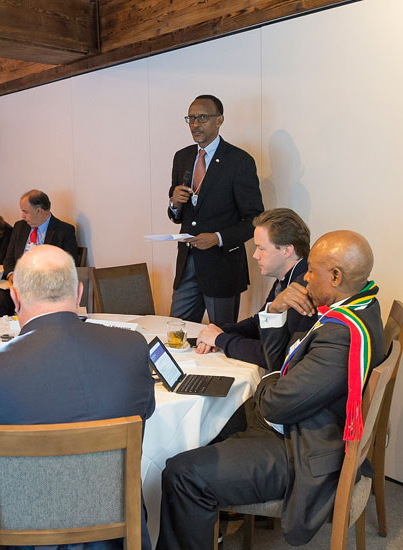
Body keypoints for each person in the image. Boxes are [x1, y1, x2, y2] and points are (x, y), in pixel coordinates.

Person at [0, 245, 157, 550]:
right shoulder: (131, 347)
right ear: (78, 293)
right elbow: (147, 409)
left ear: (14, 297)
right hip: (112, 515)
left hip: (21, 526)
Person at [157, 230, 385, 549]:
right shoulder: (358, 306)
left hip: (302, 445)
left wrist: (268, 379)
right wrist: (276, 311)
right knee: (207, 425)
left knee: (182, 473)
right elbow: (280, 360)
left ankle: (196, 511)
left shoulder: (341, 336)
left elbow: (275, 402)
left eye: (312, 271)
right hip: (300, 423)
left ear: (335, 276)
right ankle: (206, 523)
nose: (304, 277)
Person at [167, 95, 264, 326]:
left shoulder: (239, 161)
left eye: (202, 117)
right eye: (190, 118)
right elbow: (176, 215)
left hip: (222, 268)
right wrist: (174, 202)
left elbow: (255, 218)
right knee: (175, 332)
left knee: (221, 338)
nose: (195, 124)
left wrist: (218, 238)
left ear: (219, 120)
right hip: (187, 264)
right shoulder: (182, 157)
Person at [195, 208, 316, 369]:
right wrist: (219, 331)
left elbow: (274, 355)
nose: (255, 255)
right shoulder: (288, 277)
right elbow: (260, 322)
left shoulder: (304, 287)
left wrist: (220, 339)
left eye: (262, 248)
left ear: (287, 250)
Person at [0, 189, 78, 317]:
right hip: (19, 285)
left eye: (25, 212)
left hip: (46, 287)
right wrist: (12, 276)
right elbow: (9, 259)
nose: (22, 216)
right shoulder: (19, 227)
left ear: (39, 211)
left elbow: (69, 265)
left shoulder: (64, 231)